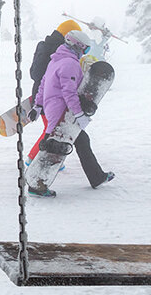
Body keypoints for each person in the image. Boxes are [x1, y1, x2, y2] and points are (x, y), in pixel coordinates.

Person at [30, 28, 114, 192]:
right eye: (86, 49)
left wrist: (38, 106)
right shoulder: (70, 64)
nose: (85, 52)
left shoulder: (56, 60)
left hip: (53, 108)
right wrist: (79, 114)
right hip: (61, 111)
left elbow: (43, 84)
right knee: (53, 147)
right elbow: (69, 94)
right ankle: (36, 185)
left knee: (81, 141)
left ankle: (96, 177)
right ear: (78, 46)